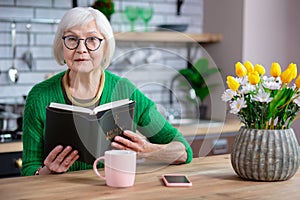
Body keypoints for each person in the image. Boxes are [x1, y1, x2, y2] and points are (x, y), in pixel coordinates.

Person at [21, 7, 193, 176]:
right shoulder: (39, 96)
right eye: (72, 39)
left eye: (92, 40)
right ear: (61, 45)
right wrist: (47, 171)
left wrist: (146, 150)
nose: (81, 49)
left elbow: (183, 151)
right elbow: (29, 169)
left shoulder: (126, 91)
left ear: (105, 46)